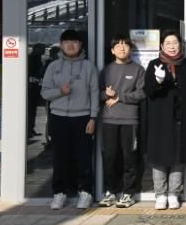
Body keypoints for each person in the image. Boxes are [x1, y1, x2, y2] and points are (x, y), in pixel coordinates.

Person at [40, 29, 99, 210]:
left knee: (83, 157)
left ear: (80, 45)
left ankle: (85, 192)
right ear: (61, 45)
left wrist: (93, 117)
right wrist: (60, 91)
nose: (70, 45)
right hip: (58, 118)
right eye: (66, 42)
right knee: (60, 157)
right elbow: (44, 92)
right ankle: (59, 193)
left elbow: (95, 93)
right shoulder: (53, 66)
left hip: (82, 118)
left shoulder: (89, 67)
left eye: (74, 42)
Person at [144, 30, 186, 210]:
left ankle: (173, 193)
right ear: (162, 46)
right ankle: (160, 194)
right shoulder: (154, 65)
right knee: (159, 156)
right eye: (168, 43)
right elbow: (148, 91)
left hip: (182, 118)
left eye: (175, 43)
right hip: (160, 118)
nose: (172, 46)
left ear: (180, 45)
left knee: (178, 156)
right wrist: (158, 81)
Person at [97, 34, 146, 208]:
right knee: (110, 157)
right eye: (118, 46)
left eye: (125, 45)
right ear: (112, 50)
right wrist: (106, 95)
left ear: (131, 49)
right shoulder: (106, 70)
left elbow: (142, 93)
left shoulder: (138, 70)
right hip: (109, 119)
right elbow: (97, 94)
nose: (122, 48)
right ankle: (110, 191)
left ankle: (128, 193)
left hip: (130, 120)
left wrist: (120, 97)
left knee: (129, 158)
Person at [27, 43, 46, 138]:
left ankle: (30, 129)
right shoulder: (32, 59)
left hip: (34, 87)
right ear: (36, 49)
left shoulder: (37, 58)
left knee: (32, 110)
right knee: (30, 110)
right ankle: (29, 129)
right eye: (42, 48)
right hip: (31, 87)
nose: (44, 50)